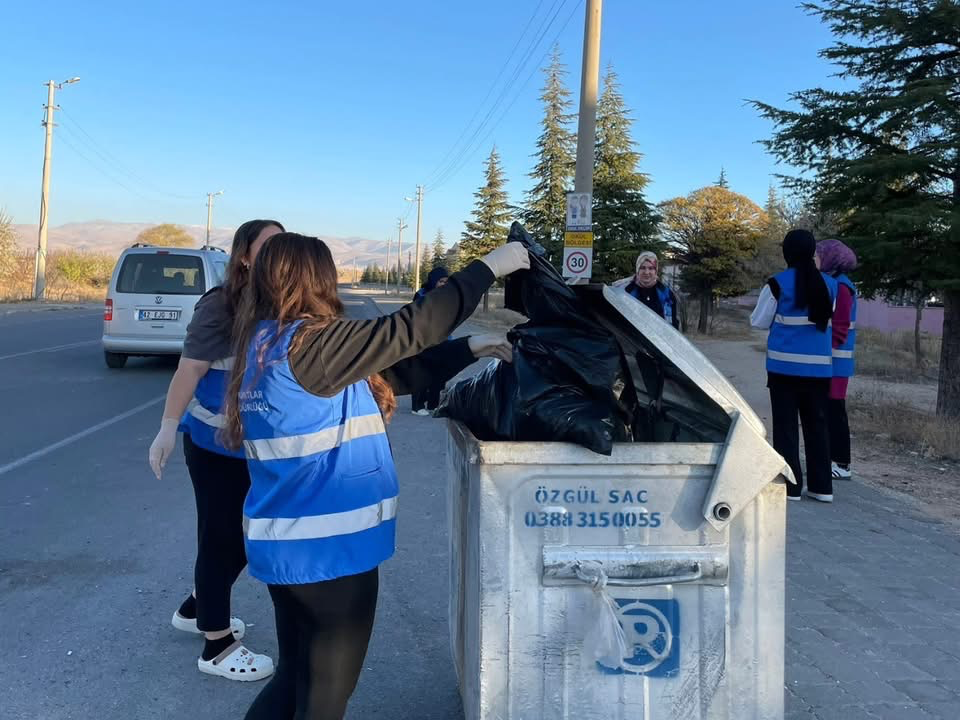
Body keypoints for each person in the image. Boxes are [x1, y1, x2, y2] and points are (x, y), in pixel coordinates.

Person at [220, 233, 529, 720]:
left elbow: (388, 375)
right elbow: (413, 328)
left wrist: (471, 348)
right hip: (330, 556)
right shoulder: (311, 343)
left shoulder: (270, 344)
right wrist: (492, 265)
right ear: (316, 279)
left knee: (295, 679)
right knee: (325, 698)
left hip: (289, 549)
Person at [148, 219, 283, 681]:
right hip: (214, 446)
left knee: (242, 537)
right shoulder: (220, 305)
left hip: (253, 447)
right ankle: (217, 646)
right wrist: (167, 428)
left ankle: (196, 608)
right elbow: (189, 370)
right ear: (244, 255)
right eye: (268, 245)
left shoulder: (279, 303)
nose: (277, 252)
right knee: (222, 537)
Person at [751, 229, 838, 503]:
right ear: (812, 252)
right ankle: (822, 488)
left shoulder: (777, 283)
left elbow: (758, 321)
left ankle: (790, 487)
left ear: (787, 252)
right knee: (818, 427)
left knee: (786, 428)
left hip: (784, 371)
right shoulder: (831, 285)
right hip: (820, 371)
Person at [816, 239, 858, 481]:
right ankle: (831, 460)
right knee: (828, 411)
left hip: (836, 363)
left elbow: (840, 328)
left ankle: (842, 464)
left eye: (819, 255)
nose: (816, 259)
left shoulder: (842, 287)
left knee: (835, 412)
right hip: (833, 362)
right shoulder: (837, 283)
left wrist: (822, 352)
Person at [411, 266, 450, 415]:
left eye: (446, 282)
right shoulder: (421, 295)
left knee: (439, 373)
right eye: (441, 281)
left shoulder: (447, 296)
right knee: (421, 372)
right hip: (423, 340)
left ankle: (433, 404)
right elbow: (415, 317)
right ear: (433, 281)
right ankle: (417, 406)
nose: (443, 284)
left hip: (441, 338)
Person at [620, 251, 681, 330]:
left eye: (651, 268)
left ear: (656, 270)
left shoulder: (667, 294)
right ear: (637, 269)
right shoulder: (626, 292)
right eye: (643, 268)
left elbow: (674, 325)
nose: (646, 272)